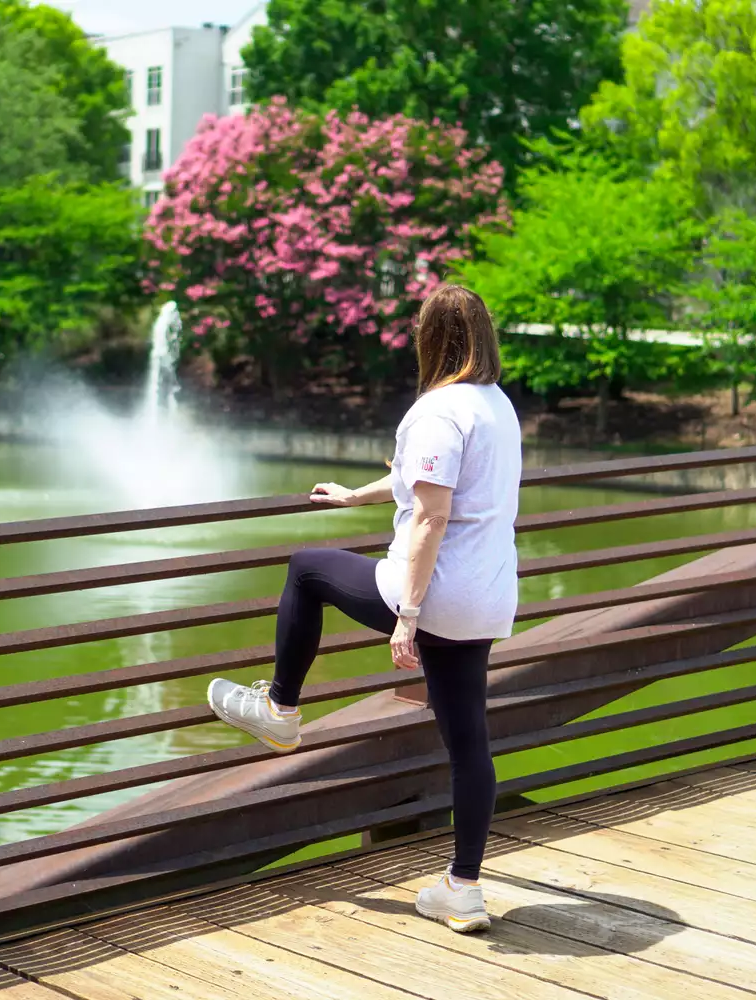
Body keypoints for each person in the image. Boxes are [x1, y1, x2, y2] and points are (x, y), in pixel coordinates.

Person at [208, 284, 522, 933]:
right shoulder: (498, 407)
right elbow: (422, 483)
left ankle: (280, 709)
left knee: (306, 569)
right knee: (471, 745)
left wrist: (408, 614)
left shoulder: (439, 410)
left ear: (431, 339)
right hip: (487, 595)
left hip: (436, 592)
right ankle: (463, 889)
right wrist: (356, 497)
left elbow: (433, 516)